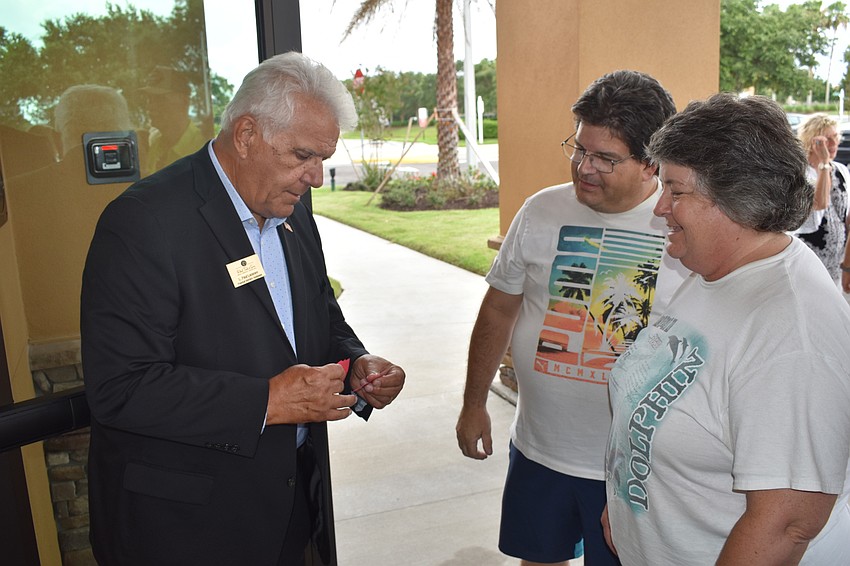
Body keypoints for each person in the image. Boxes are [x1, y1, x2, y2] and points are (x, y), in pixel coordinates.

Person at [81, 52, 405, 566]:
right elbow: (121, 388)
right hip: (185, 530)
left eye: (323, 158)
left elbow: (317, 312)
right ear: (247, 134)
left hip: (289, 509)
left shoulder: (293, 214)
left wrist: (356, 362)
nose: (316, 178)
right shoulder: (144, 222)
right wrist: (266, 401)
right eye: (302, 155)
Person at [604, 93, 850, 565]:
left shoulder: (792, 337)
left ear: (736, 198)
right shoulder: (717, 270)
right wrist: (624, 503)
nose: (660, 208)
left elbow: (785, 524)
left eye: (676, 191)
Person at [456, 70, 683, 566]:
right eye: (580, 149)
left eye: (605, 157)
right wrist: (474, 402)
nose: (584, 166)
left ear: (651, 164)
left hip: (633, 469)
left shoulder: (679, 227)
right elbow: (499, 307)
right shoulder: (541, 210)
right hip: (540, 449)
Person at [792, 113, 850, 291]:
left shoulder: (840, 170)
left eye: (835, 137)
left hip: (835, 262)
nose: (833, 144)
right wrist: (823, 164)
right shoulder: (801, 174)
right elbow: (819, 204)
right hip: (808, 261)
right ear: (812, 142)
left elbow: (847, 217)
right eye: (826, 140)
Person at [139, 65, 209, 174]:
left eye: (159, 99)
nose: (150, 107)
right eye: (149, 99)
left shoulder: (203, 147)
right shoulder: (156, 146)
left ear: (184, 101)